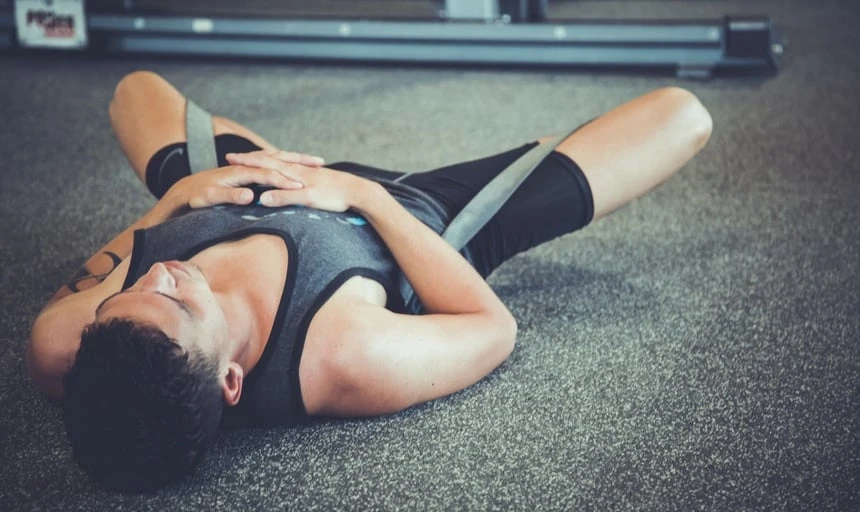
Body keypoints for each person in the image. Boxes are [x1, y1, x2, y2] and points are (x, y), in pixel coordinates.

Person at [26, 71, 713, 492]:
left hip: (255, 182)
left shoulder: (72, 345)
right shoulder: (342, 359)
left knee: (131, 91)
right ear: (230, 381)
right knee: (683, 115)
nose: (166, 272)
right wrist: (364, 195)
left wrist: (172, 206)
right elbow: (492, 329)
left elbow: (135, 250)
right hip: (421, 221)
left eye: (133, 288)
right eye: (176, 300)